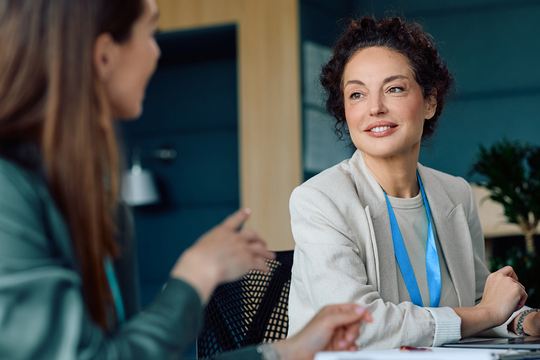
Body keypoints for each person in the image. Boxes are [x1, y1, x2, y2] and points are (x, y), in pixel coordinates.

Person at [0, 0, 373, 359]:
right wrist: (195, 276)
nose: (156, 52)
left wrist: (283, 352)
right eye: (151, 33)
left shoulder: (96, 195)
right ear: (104, 56)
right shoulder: (8, 193)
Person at [287, 16, 540, 350]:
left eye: (394, 89)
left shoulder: (456, 194)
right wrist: (488, 312)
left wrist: (523, 320)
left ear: (430, 102)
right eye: (357, 94)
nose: (375, 108)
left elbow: (481, 301)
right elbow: (359, 325)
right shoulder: (319, 199)